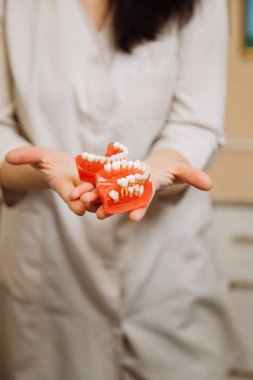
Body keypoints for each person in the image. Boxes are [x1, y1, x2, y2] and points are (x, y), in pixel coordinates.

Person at [0, 0, 242, 379]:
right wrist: (46, 170)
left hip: (166, 275)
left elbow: (195, 122)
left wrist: (155, 171)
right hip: (48, 271)